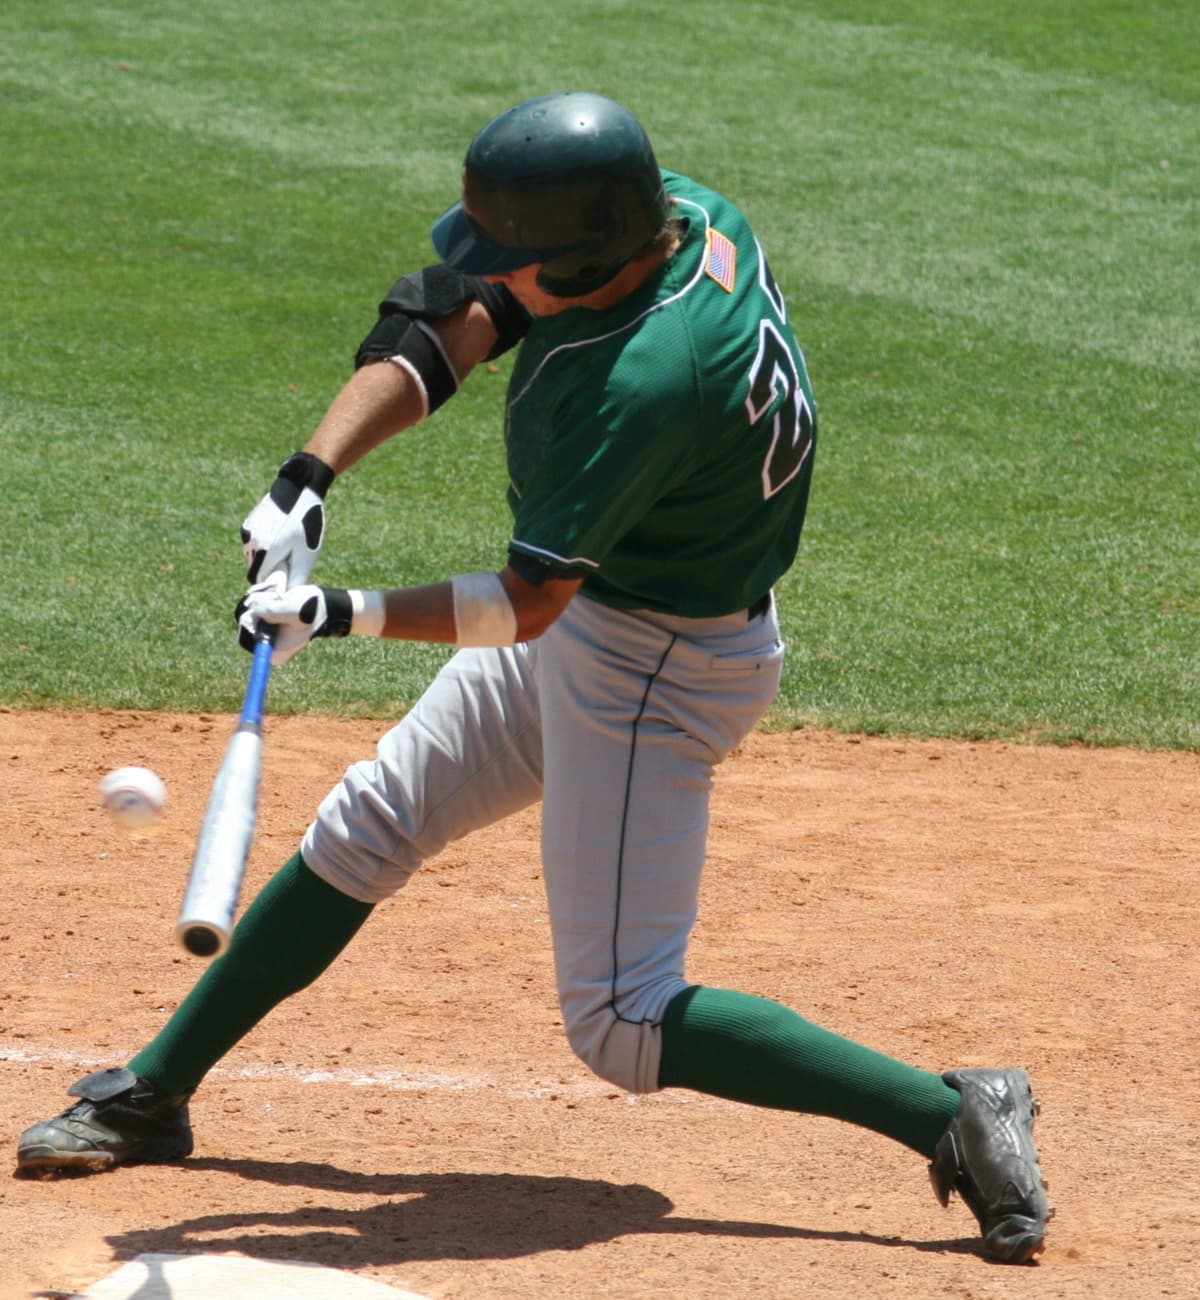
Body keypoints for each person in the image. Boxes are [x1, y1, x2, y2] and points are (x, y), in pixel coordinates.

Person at [15, 92, 1050, 1264]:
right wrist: (311, 473)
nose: (504, 279)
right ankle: (153, 1092)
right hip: (617, 616)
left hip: (656, 661)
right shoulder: (683, 215)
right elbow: (457, 314)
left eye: (526, 258)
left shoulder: (644, 383)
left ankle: (953, 1108)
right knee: (373, 823)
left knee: (620, 1018)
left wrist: (334, 613)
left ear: (594, 254)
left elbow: (528, 604)